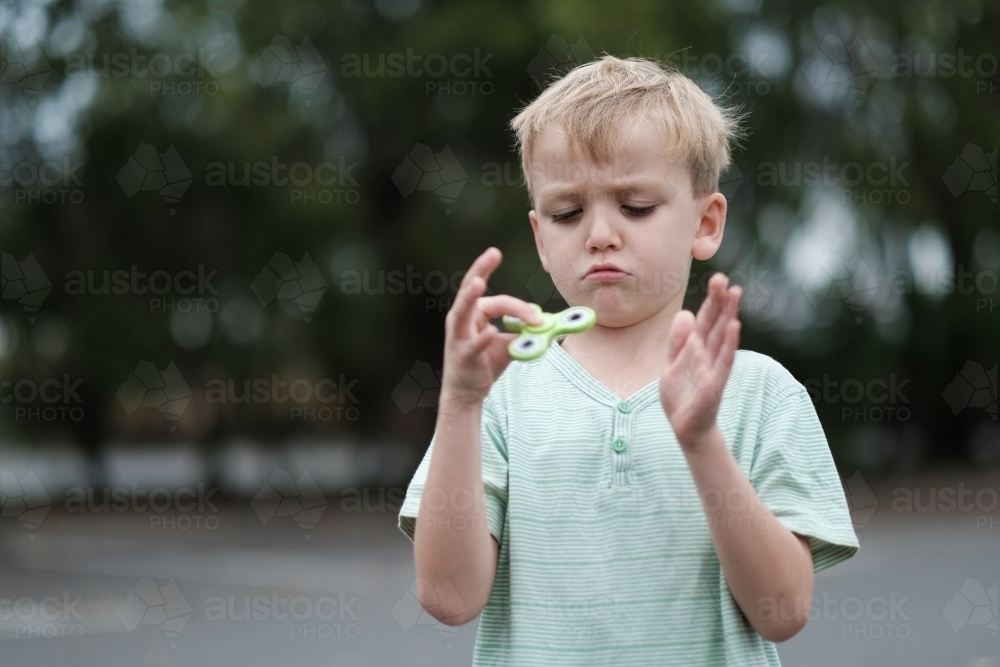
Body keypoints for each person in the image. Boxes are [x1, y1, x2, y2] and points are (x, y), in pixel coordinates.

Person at [397, 55, 859, 666]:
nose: (599, 234)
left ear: (706, 221)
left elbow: (782, 612)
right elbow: (448, 597)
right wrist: (459, 404)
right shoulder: (501, 396)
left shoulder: (759, 392)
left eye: (636, 206)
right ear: (539, 235)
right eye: (567, 213)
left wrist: (701, 442)